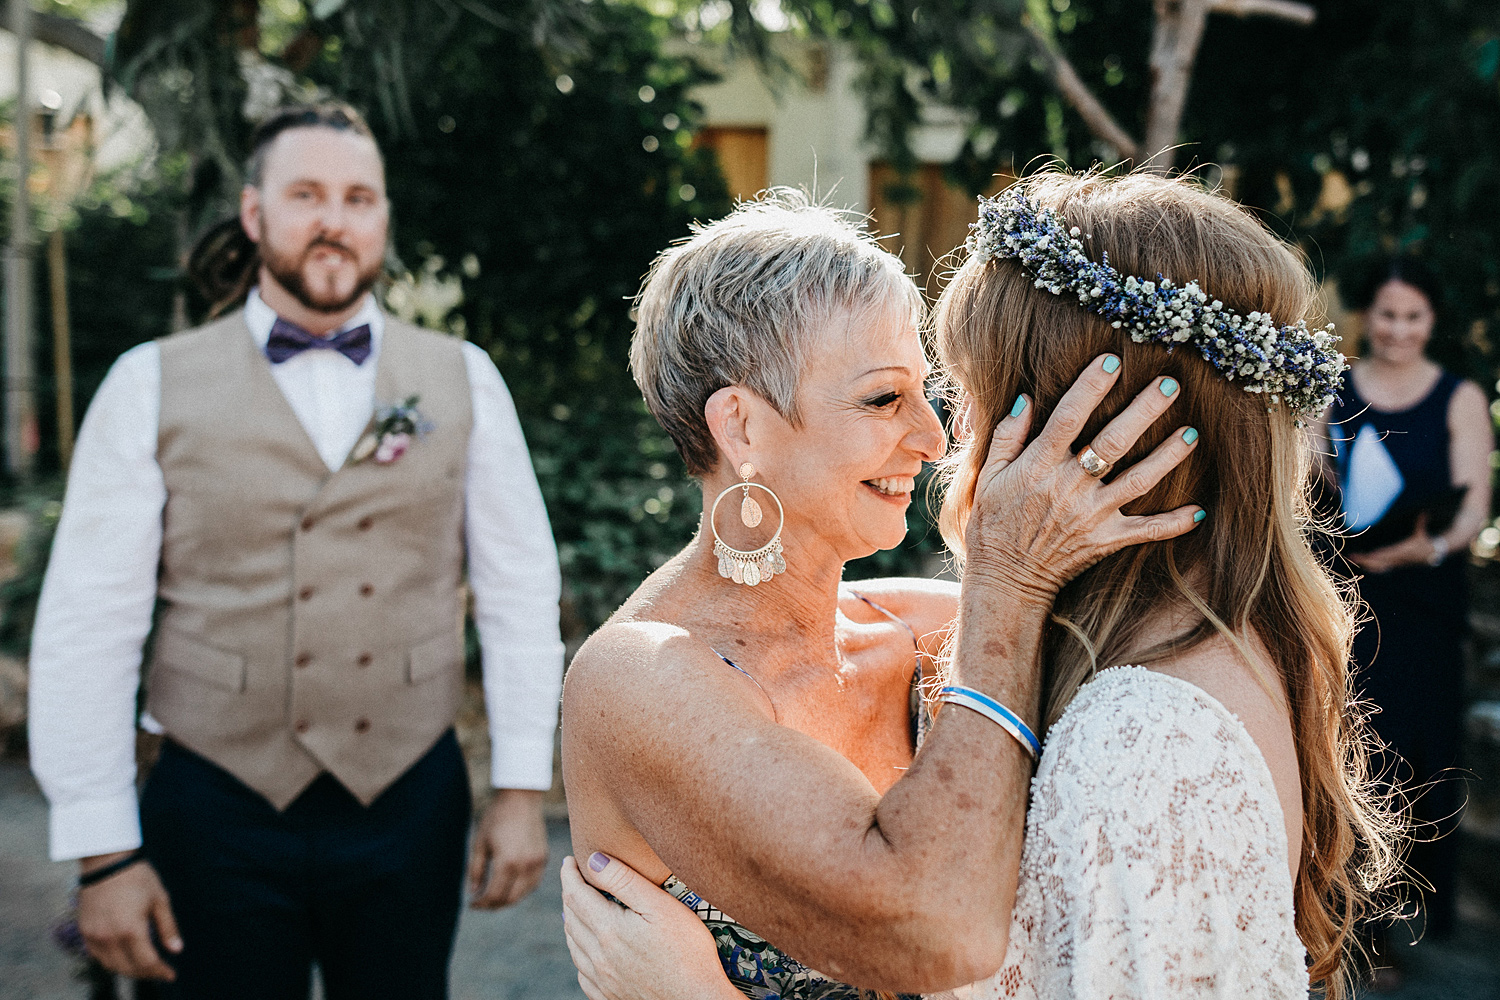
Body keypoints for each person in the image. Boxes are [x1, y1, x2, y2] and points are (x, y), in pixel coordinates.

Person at [559, 174, 1399, 999]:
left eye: (930, 391)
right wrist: (1007, 581)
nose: (932, 438)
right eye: (884, 399)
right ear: (740, 424)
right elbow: (936, 933)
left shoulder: (938, 632)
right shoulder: (638, 679)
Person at [27, 102, 566, 999]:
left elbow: (518, 595)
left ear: (383, 221)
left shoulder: (462, 378)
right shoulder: (148, 383)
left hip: (408, 803)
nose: (333, 220)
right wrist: (102, 856)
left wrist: (517, 794)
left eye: (359, 199)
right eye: (306, 194)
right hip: (213, 807)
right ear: (254, 214)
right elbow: (89, 625)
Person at [1321, 258, 1491, 956]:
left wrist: (1417, 551)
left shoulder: (1459, 398)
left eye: (1413, 317)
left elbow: (1473, 509)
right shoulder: (1334, 388)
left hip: (1422, 599)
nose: (1397, 330)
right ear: (1369, 314)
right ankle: (1346, 921)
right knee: (1352, 750)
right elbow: (1313, 478)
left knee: (1418, 757)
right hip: (1347, 595)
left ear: (1432, 321)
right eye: (1387, 315)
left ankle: (1409, 927)